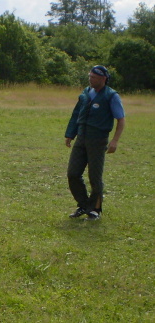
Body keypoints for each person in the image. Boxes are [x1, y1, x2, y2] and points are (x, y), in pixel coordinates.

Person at [65, 65, 125, 221]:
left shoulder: (111, 96)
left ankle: (95, 209)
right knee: (73, 173)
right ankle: (84, 205)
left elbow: (121, 119)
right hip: (81, 138)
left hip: (98, 140)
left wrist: (115, 140)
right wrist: (70, 134)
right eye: (90, 76)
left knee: (94, 176)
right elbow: (76, 114)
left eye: (94, 77)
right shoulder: (85, 93)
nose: (90, 79)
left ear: (103, 79)